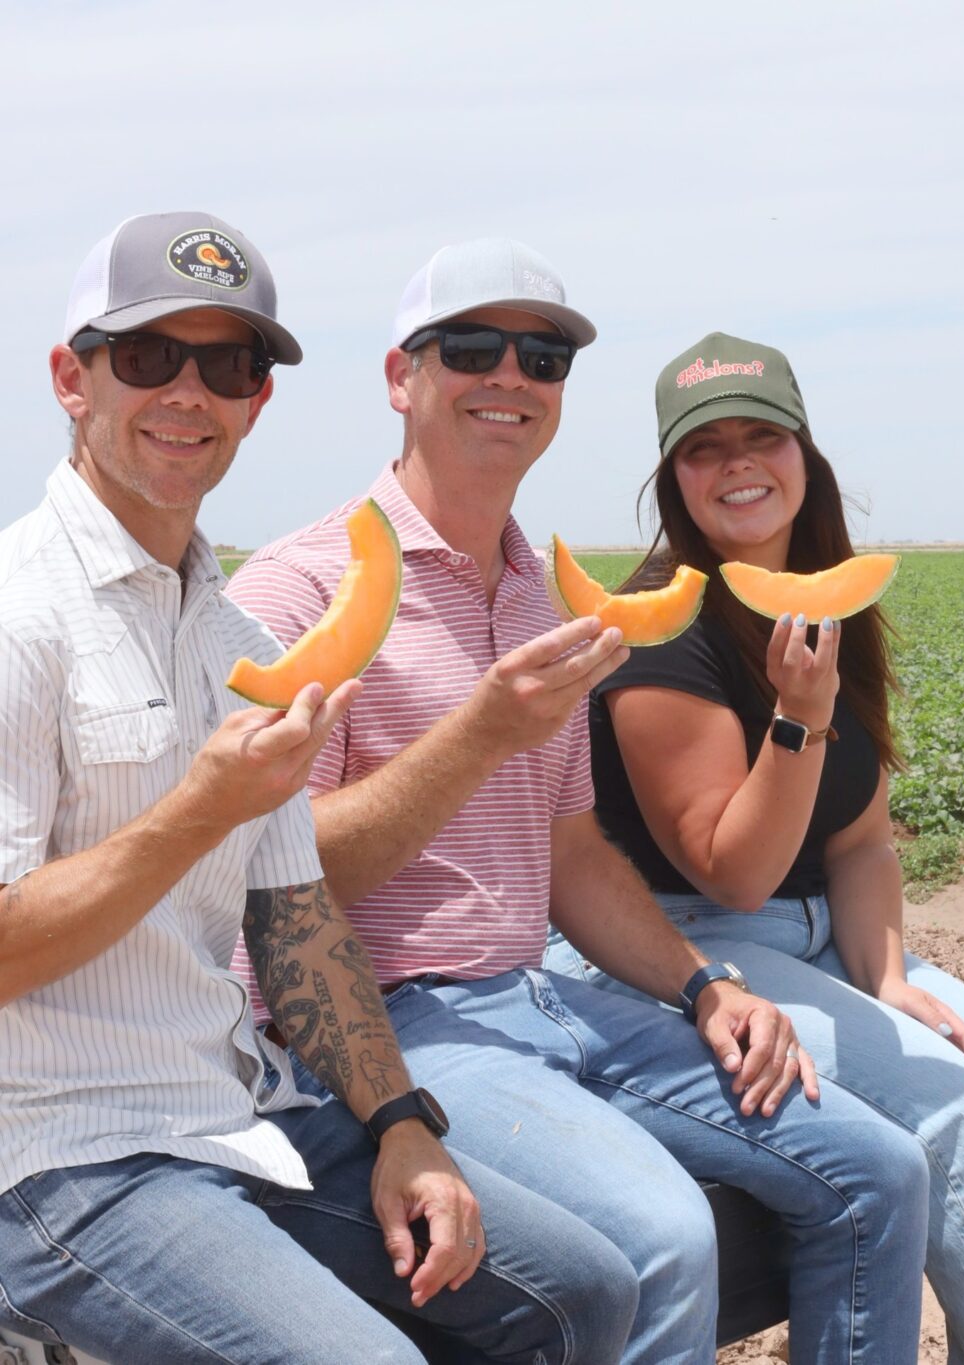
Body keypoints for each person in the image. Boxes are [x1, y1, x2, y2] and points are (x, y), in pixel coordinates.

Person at [228, 240, 933, 1365]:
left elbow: (571, 855)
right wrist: (476, 738)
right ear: (400, 377)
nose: (511, 374)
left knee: (880, 1173)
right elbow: (267, 880)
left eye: (543, 357)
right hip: (391, 1021)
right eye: (471, 347)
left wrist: (706, 985)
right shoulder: (298, 590)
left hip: (547, 999)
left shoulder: (543, 595)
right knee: (664, 1235)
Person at [0, 212, 644, 1365]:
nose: (189, 394)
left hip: (235, 1112)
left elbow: (295, 921)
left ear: (260, 399)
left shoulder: (237, 634)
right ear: (70, 378)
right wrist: (200, 809)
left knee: (582, 1291)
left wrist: (402, 1126)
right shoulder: (19, 618)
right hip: (61, 1153)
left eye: (229, 364)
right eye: (149, 358)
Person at [545, 330, 964, 1364]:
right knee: (958, 1120)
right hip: (687, 944)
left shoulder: (832, 597)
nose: (737, 463)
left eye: (760, 435)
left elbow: (860, 841)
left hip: (813, 935)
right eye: (703, 447)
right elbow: (734, 867)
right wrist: (797, 722)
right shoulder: (662, 630)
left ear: (805, 454)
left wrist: (886, 976)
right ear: (673, 479)